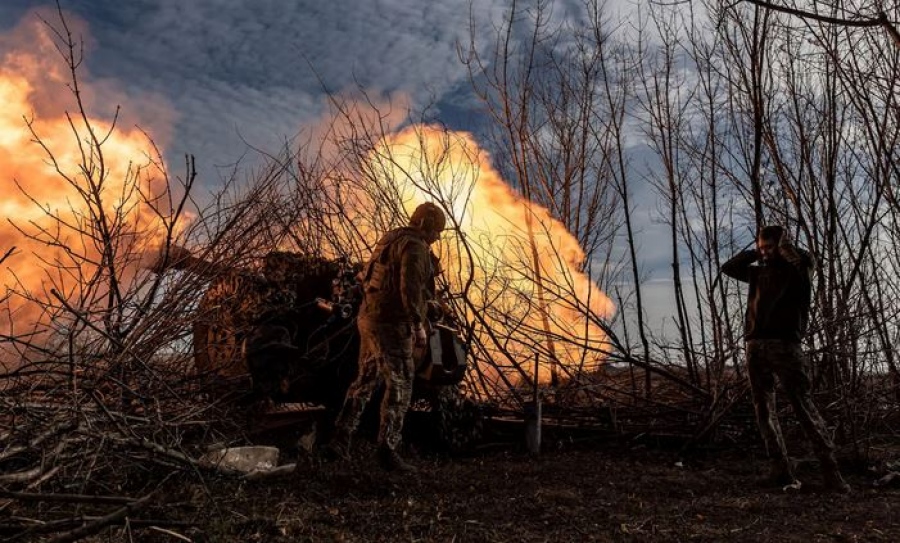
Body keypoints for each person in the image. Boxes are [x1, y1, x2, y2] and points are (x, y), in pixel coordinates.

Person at [722, 225, 850, 493]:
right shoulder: (757, 272)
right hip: (755, 345)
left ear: (782, 245)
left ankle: (832, 473)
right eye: (762, 247)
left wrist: (783, 247)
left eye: (770, 247)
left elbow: (803, 261)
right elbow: (729, 267)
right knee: (764, 408)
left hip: (786, 346)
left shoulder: (798, 269)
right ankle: (781, 471)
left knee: (803, 406)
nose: (765, 252)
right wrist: (755, 252)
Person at [324, 202, 446, 472]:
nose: (437, 236)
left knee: (365, 380)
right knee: (400, 384)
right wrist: (418, 324)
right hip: (392, 324)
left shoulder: (391, 239)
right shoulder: (414, 247)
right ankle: (387, 450)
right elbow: (409, 289)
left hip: (369, 318)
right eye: (436, 230)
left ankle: (340, 439)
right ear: (426, 225)